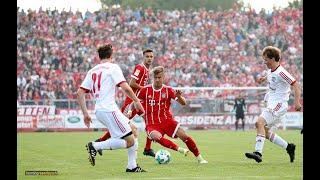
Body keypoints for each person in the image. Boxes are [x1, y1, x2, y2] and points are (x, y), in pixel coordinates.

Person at [77, 44, 146, 172]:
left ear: (99, 56)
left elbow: (80, 92)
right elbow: (125, 87)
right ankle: (95, 146)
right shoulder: (113, 67)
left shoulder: (92, 71)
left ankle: (132, 166)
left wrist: (85, 114)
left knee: (134, 130)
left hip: (100, 110)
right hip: (109, 110)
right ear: (111, 55)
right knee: (130, 141)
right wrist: (136, 101)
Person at [135, 66, 208, 164]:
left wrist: (179, 97)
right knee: (156, 137)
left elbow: (183, 103)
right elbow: (136, 103)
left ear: (163, 77)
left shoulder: (168, 90)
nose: (157, 80)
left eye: (159, 77)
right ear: (153, 78)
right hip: (152, 124)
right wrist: (137, 113)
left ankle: (200, 158)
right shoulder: (145, 90)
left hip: (167, 121)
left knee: (184, 136)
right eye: (155, 77)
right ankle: (180, 150)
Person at [94, 49, 156, 157]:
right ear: (143, 57)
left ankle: (147, 148)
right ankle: (100, 142)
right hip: (132, 102)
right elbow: (132, 83)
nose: (149, 58)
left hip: (139, 101)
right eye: (147, 56)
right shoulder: (140, 68)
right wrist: (146, 89)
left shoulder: (146, 70)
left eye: (151, 56)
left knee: (150, 121)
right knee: (121, 124)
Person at [245, 46, 302, 163]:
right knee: (264, 132)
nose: (264, 62)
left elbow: (296, 85)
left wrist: (297, 102)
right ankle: (289, 147)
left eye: (266, 59)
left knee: (259, 122)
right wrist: (263, 78)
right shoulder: (271, 71)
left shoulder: (282, 72)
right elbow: (271, 76)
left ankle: (258, 153)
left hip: (279, 105)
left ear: (273, 59)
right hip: (272, 104)